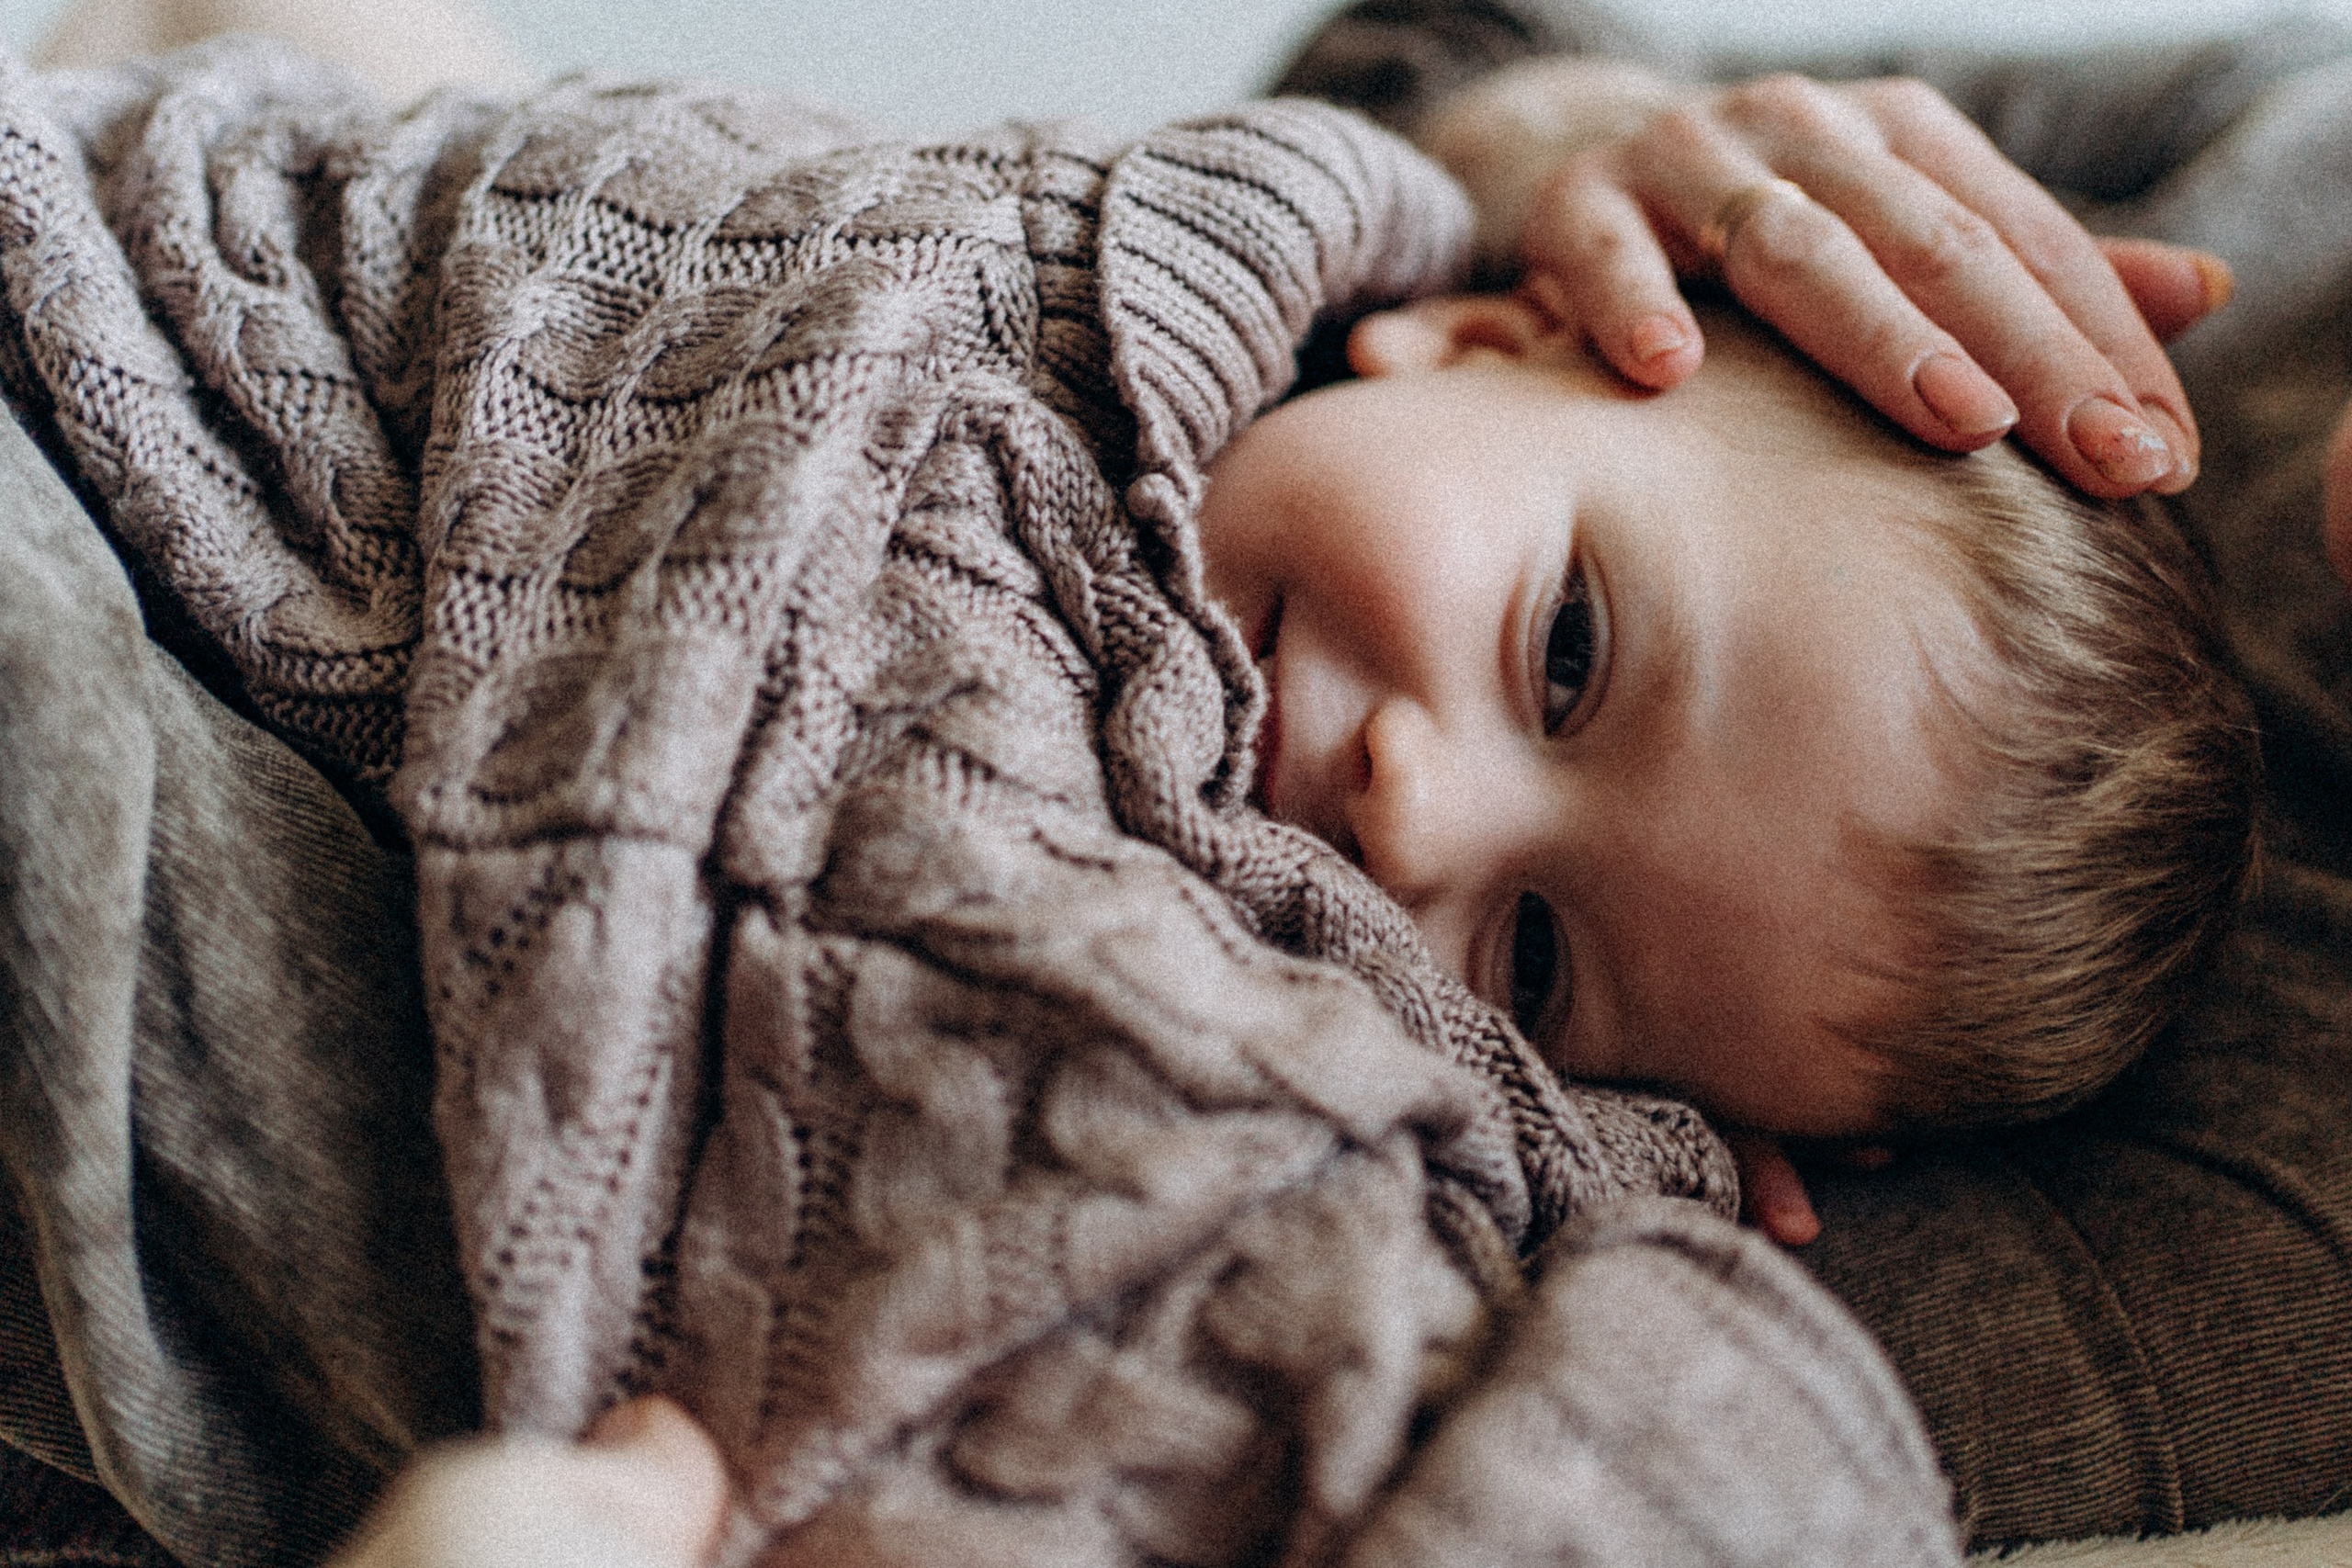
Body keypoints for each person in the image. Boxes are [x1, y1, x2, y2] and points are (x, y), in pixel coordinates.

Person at [0, 2, 2284, 1566]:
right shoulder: (997, 330)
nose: (1414, 811)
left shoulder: (1321, 1080)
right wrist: (1522, 134)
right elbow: (1433, 53)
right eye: (1564, 651)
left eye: (1541, 954)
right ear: (1486, 334)